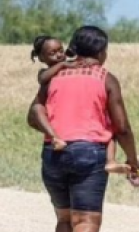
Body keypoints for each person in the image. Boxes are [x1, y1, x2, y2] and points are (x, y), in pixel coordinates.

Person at [28, 26, 139, 232]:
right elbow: (122, 127)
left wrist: (54, 133)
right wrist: (133, 159)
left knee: (65, 218)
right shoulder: (105, 78)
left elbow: (33, 114)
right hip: (88, 152)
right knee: (87, 220)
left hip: (53, 152)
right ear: (102, 52)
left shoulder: (53, 77)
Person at [32, 34, 122, 174]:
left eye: (61, 50)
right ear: (42, 58)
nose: (59, 55)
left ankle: (111, 161)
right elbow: (42, 78)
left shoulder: (70, 67)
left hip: (70, 141)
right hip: (80, 142)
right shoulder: (46, 73)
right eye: (52, 53)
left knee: (109, 130)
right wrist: (63, 65)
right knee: (37, 108)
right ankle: (54, 136)